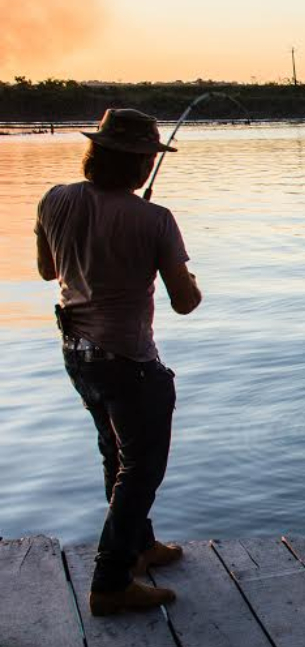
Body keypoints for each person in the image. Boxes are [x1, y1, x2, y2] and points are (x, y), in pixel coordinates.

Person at [35, 108, 202, 616]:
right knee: (142, 468)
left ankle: (138, 549)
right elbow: (184, 302)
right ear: (141, 166)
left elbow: (48, 271)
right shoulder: (155, 219)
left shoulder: (54, 199)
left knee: (116, 454)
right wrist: (175, 268)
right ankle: (109, 581)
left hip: (78, 356)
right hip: (130, 362)